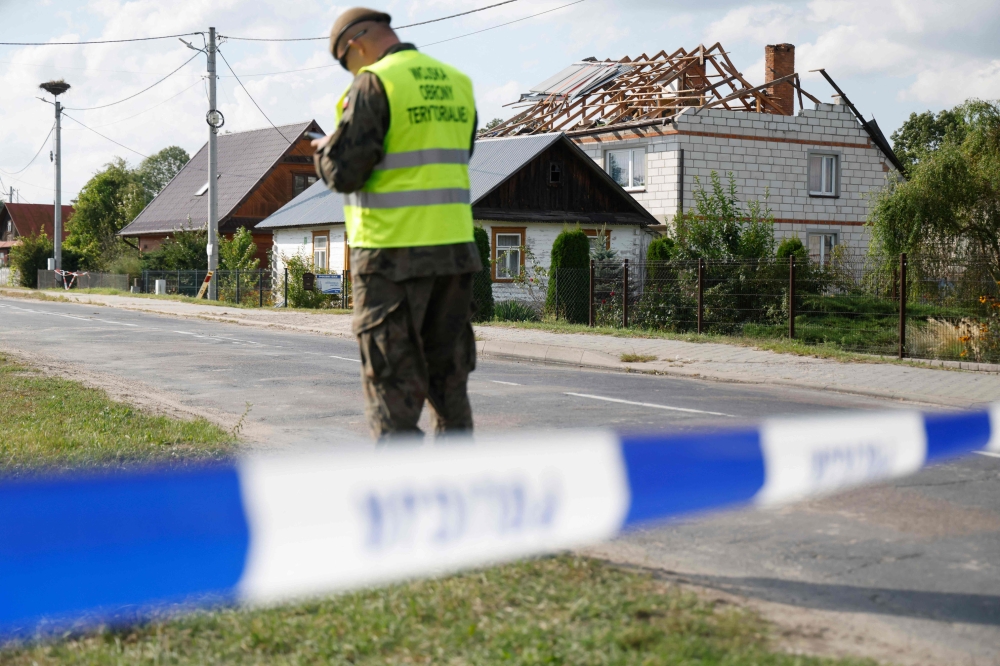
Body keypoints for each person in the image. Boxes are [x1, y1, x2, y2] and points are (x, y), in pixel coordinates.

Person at [313, 7, 482, 441]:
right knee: (451, 394)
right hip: (455, 255)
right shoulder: (458, 83)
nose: (348, 70)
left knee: (393, 399)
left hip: (390, 259)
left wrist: (323, 151)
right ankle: (457, 501)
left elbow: (347, 172)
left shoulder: (374, 83)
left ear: (356, 45)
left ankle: (403, 503)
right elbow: (456, 156)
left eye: (343, 61)